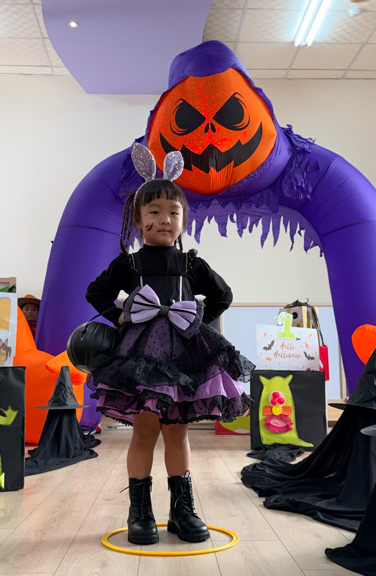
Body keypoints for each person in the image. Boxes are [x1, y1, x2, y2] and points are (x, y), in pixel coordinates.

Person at [84, 144, 252, 545]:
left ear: (183, 221)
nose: (164, 219)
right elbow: (95, 292)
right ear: (139, 219)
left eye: (174, 212)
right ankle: (139, 511)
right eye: (155, 211)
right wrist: (119, 316)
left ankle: (183, 510)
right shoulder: (129, 264)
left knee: (177, 432)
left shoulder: (192, 264)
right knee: (144, 431)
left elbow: (223, 295)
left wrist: (197, 324)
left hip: (183, 360)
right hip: (140, 360)